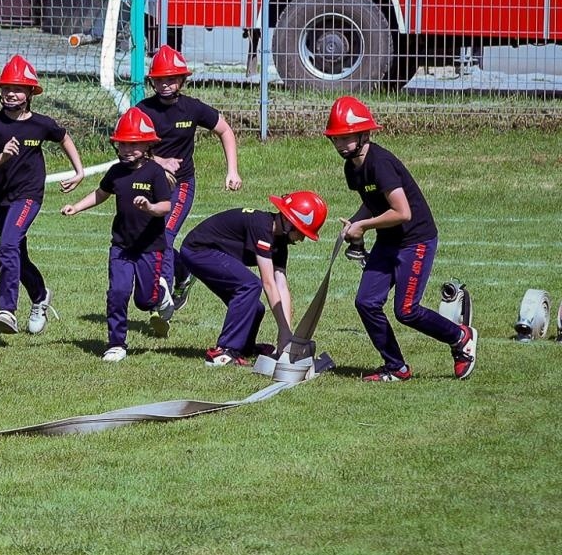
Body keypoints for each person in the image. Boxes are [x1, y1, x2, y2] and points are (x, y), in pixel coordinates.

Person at [325, 96, 477, 381]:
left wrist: (364, 227)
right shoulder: (352, 168)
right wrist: (356, 223)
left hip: (415, 240)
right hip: (389, 240)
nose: (340, 144)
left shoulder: (380, 163)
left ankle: (460, 337)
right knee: (366, 302)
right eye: (335, 138)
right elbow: (373, 202)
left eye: (345, 137)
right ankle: (396, 367)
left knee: (406, 311)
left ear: (364, 133)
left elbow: (402, 212)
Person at [0, 55, 85, 335]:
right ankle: (40, 295)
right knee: (17, 254)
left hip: (29, 196)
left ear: (31, 92)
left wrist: (79, 171)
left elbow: (64, 137)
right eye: (7, 88)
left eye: (18, 88)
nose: (11, 93)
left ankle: (7, 310)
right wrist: (2, 156)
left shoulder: (41, 124)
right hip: (2, 199)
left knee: (7, 247)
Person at [60, 107, 174, 362]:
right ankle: (116, 343)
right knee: (118, 293)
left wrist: (150, 207)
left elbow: (166, 206)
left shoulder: (155, 173)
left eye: (132, 145)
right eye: (121, 144)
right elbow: (101, 194)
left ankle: (160, 292)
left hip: (150, 247)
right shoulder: (115, 171)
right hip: (121, 247)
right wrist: (76, 207)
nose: (125, 150)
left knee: (145, 302)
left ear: (147, 146)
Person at [136, 46, 242, 314]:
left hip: (181, 185)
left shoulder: (192, 108)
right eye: (159, 80)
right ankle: (183, 273)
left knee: (165, 234)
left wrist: (232, 170)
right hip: (149, 186)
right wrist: (160, 163)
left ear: (182, 81)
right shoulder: (142, 110)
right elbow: (129, 147)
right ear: (152, 82)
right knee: (145, 238)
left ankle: (164, 293)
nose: (165, 85)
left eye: (171, 79)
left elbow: (225, 130)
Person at [177, 192, 326, 366]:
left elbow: (282, 286)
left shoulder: (279, 243)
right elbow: (268, 283)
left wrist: (286, 333)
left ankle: (244, 348)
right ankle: (223, 351)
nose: (301, 238)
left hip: (210, 252)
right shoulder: (262, 227)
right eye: (301, 232)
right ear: (288, 222)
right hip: (197, 251)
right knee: (249, 285)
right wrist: (283, 331)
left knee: (255, 308)